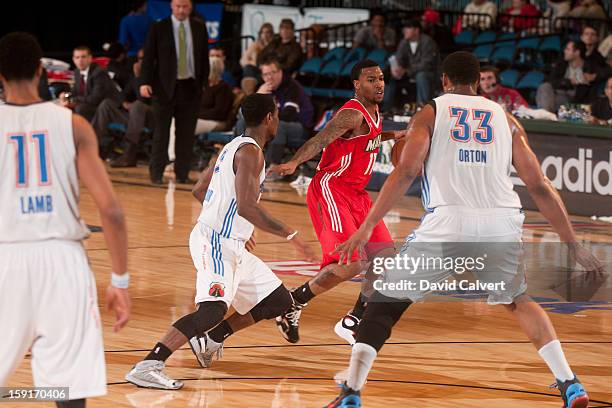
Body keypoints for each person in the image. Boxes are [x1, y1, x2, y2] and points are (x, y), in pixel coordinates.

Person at [326, 51, 602, 408]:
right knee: (518, 301)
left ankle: (352, 392)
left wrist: (365, 228)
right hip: (501, 222)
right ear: (477, 81)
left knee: (385, 302)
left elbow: (406, 172)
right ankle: (570, 382)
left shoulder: (432, 111)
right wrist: (573, 245)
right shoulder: (506, 118)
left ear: (444, 81)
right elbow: (539, 186)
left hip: (448, 221)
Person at [125, 93, 315, 389]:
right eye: (276, 115)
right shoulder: (251, 153)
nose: (277, 119)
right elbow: (246, 206)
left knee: (278, 300)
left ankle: (211, 340)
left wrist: (239, 226)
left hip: (230, 241)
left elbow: (200, 190)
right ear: (269, 118)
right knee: (211, 310)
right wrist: (292, 236)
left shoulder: (228, 147)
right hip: (216, 241)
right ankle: (148, 364)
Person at [0, 32, 131, 408]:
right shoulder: (73, 125)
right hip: (62, 261)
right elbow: (112, 211)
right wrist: (119, 281)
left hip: (7, 257)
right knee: (69, 390)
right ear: (41, 70)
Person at [269, 60, 404, 345]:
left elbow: (369, 139)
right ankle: (293, 302)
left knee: (386, 258)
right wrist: (294, 161)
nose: (379, 83)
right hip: (332, 189)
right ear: (357, 84)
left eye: (380, 78)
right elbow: (320, 140)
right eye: (371, 79)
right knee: (352, 264)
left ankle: (353, 319)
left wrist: (394, 135)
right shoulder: (351, 114)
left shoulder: (375, 112)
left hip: (357, 194)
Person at [141, 0, 209, 185]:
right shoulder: (159, 27)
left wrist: (203, 83)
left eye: (185, 6)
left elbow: (204, 58)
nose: (181, 10)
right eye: (178, 6)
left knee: (186, 135)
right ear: (171, 6)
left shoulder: (199, 27)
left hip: (190, 87)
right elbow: (149, 57)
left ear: (191, 7)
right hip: (164, 88)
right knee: (161, 133)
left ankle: (182, 173)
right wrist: (145, 82)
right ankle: (156, 173)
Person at [251, 55, 314, 172]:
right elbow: (248, 114)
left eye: (272, 73)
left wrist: (264, 121)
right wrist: (258, 96)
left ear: (280, 72)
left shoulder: (292, 86)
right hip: (275, 124)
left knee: (278, 126)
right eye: (265, 74)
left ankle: (271, 169)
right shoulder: (264, 88)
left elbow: (289, 115)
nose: (269, 77)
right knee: (243, 123)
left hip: (300, 127)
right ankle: (244, 164)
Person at [92, 48, 153, 167]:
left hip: (152, 116)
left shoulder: (158, 75)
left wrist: (139, 77)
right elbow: (123, 93)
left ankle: (129, 154)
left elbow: (147, 99)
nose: (142, 62)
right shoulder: (136, 76)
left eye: (145, 59)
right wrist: (124, 102)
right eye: (140, 59)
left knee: (138, 105)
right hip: (135, 117)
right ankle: (94, 147)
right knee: (107, 104)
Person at [169, 56, 234, 141]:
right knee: (174, 121)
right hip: (201, 119)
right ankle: (173, 153)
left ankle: (174, 154)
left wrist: (194, 114)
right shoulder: (204, 86)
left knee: (182, 124)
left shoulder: (223, 88)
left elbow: (219, 112)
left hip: (217, 122)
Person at [385, 19, 440, 110]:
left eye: (408, 28)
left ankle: (422, 108)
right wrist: (396, 68)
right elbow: (399, 58)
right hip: (410, 73)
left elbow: (426, 64)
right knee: (390, 75)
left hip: (431, 74)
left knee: (421, 75)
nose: (405, 30)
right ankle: (388, 108)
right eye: (404, 28)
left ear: (416, 30)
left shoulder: (427, 42)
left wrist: (406, 71)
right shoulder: (404, 42)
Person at [536, 40, 601, 113]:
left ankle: (544, 115)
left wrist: (594, 76)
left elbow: (607, 71)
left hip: (573, 101)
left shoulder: (589, 67)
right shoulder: (562, 64)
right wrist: (569, 82)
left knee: (545, 100)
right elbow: (550, 81)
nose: (565, 51)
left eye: (568, 49)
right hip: (556, 94)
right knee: (545, 87)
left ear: (577, 52)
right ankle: (545, 114)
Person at [60, 45, 120, 122]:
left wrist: (73, 101)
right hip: (90, 104)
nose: (80, 60)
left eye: (83, 57)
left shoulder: (99, 72)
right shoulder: (77, 72)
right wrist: (65, 96)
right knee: (61, 105)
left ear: (90, 58)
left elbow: (95, 99)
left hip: (106, 107)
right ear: (73, 59)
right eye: (77, 57)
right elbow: (75, 92)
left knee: (80, 108)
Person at [240, 22, 274, 95]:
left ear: (271, 34)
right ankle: (250, 94)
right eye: (263, 32)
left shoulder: (274, 46)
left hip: (267, 71)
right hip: (255, 70)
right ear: (260, 34)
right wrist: (255, 64)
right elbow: (243, 60)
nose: (265, 34)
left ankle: (251, 95)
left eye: (267, 32)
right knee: (248, 67)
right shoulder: (255, 45)